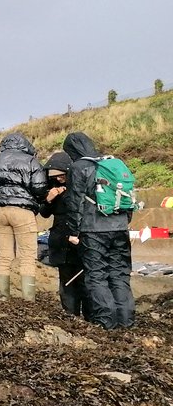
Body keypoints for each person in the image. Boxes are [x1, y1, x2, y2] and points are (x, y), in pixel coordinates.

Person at [63, 132, 135, 329]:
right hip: (120, 228)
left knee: (97, 275)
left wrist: (73, 232)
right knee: (119, 274)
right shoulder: (111, 164)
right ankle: (126, 321)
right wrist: (123, 224)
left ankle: (106, 323)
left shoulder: (79, 167)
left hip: (93, 229)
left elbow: (74, 202)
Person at [0, 133, 48, 298]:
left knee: (3, 255)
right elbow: (40, 187)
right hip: (22, 210)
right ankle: (28, 299)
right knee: (27, 256)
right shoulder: (30, 161)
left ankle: (4, 296)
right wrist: (38, 200)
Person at [38, 151, 87, 317]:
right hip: (60, 239)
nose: (58, 179)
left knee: (82, 278)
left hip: (77, 238)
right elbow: (44, 213)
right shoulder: (54, 189)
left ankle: (87, 312)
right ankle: (70, 313)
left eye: (61, 176)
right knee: (65, 279)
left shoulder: (79, 187)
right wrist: (49, 198)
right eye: (55, 177)